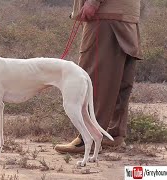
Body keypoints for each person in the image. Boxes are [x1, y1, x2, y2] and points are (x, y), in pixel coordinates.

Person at [54, 0, 142, 154]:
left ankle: (88, 137)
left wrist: (93, 1)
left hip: (106, 17)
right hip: (127, 17)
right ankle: (113, 135)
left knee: (94, 81)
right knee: (119, 80)